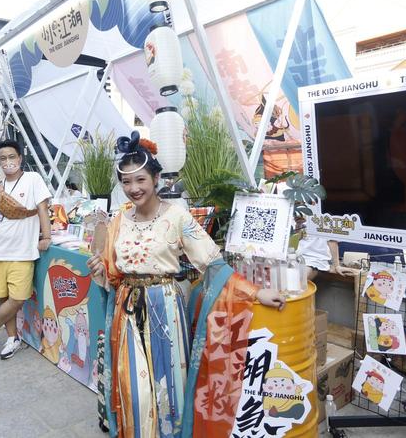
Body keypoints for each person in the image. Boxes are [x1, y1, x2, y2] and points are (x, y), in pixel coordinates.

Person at [86, 133, 285, 437]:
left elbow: (212, 264)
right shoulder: (119, 219)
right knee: (133, 387)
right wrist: (101, 267)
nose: (133, 189)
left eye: (140, 180)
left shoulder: (178, 217)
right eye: (126, 183)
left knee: (170, 386)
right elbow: (112, 269)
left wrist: (256, 292)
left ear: (156, 179)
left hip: (165, 308)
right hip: (126, 311)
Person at [0, 140, 52, 360]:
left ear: (20, 158)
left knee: (18, 298)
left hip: (23, 251)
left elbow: (42, 209)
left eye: (11, 157)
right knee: (5, 298)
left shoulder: (32, 179)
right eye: (3, 158)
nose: (8, 162)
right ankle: (13, 338)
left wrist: (46, 236)